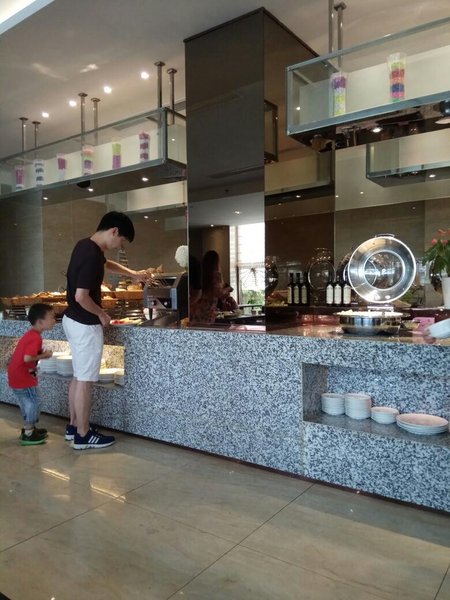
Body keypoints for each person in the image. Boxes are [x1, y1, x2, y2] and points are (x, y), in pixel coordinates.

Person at [63, 211, 147, 450]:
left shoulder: (85, 245)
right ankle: (83, 435)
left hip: (72, 320)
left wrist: (133, 274)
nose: (119, 246)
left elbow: (106, 263)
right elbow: (81, 296)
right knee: (85, 381)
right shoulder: (92, 254)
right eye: (121, 241)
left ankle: (74, 427)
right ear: (114, 231)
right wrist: (101, 314)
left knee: (78, 377)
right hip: (85, 324)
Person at [7, 303, 56, 445]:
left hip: (17, 374)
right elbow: (27, 358)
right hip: (22, 376)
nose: (54, 320)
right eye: (52, 317)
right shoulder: (35, 337)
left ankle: (30, 428)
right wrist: (44, 355)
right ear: (40, 322)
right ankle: (28, 432)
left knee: (28, 401)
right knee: (34, 401)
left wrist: (38, 355)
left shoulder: (32, 334)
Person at [190, 250, 223, 324]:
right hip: (207, 311)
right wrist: (228, 289)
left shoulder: (201, 274)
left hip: (197, 308)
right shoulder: (216, 275)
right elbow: (219, 293)